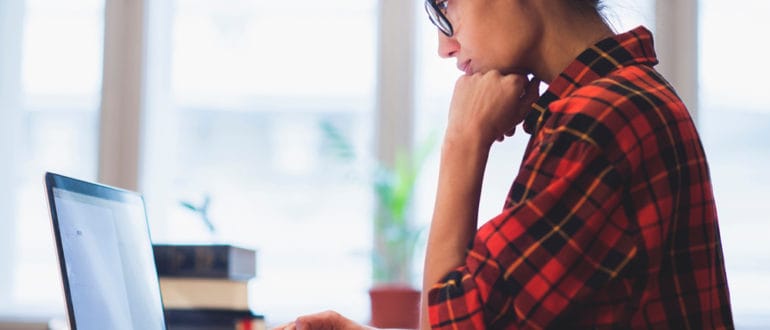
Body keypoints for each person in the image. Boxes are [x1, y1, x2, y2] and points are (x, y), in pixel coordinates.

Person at [277, 0, 734, 328]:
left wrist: (462, 142)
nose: (444, 46)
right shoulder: (623, 97)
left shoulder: (597, 122)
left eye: (446, 5)